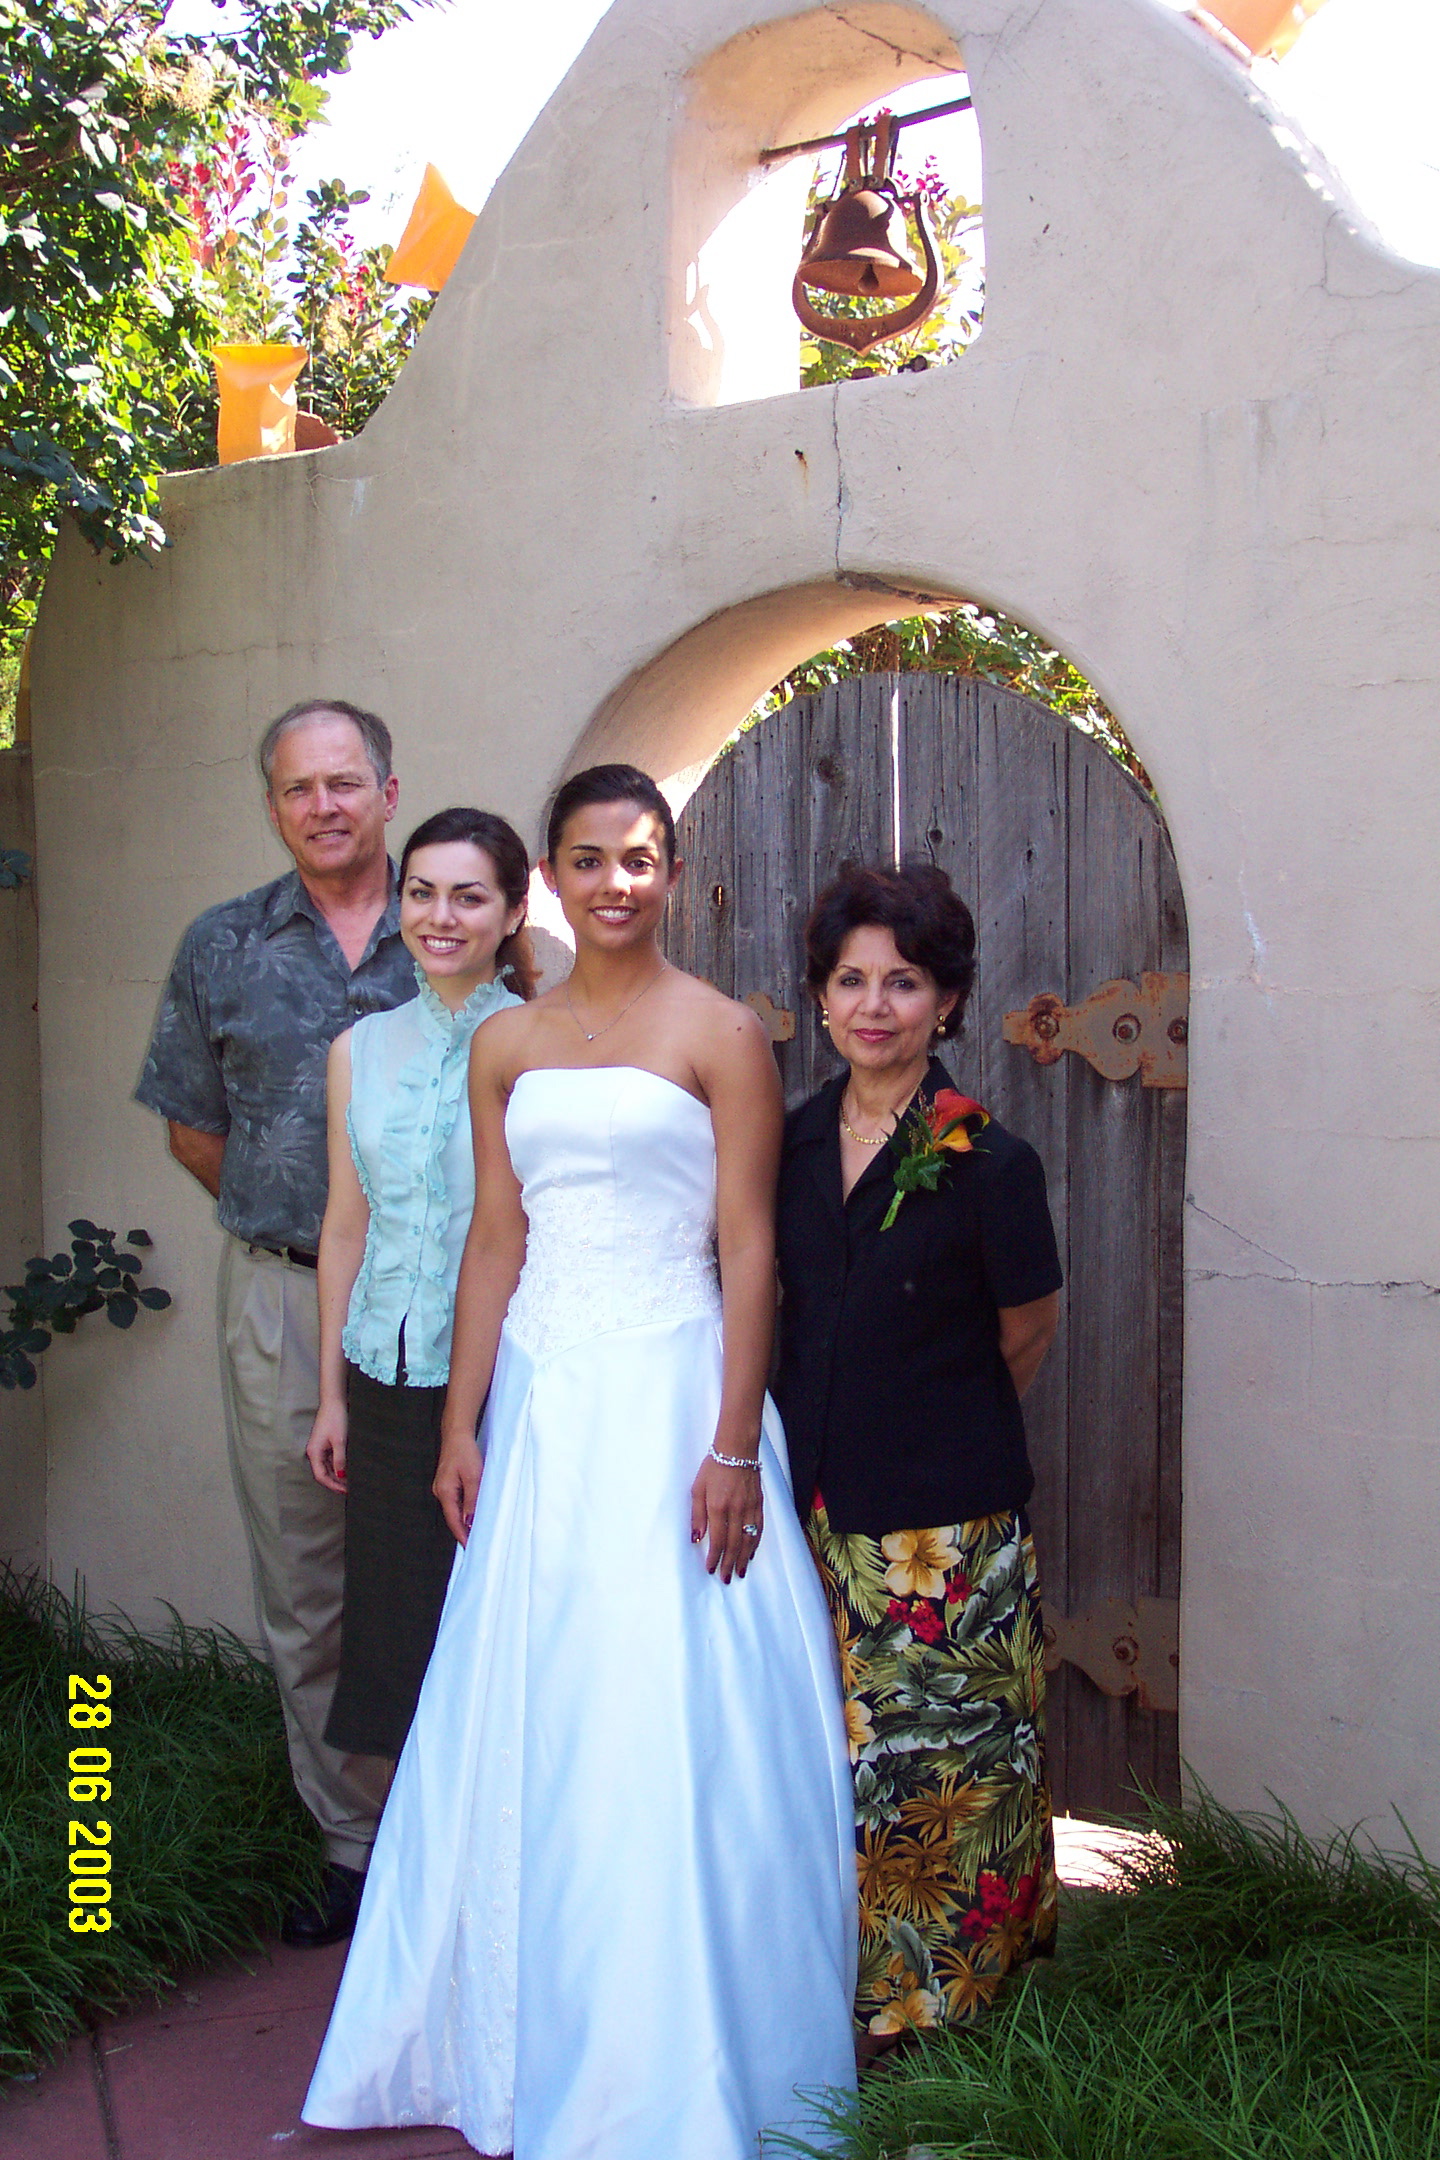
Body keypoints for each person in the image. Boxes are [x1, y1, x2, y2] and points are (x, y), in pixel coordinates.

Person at [304, 764, 857, 2160]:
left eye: (641, 857)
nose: (617, 882)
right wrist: (458, 1421)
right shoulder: (512, 1042)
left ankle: (674, 2054)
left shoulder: (723, 1032)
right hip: (544, 1402)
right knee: (530, 1697)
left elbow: (751, 1250)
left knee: (666, 1704)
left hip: (676, 1397)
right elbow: (500, 1240)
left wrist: (734, 1441)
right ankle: (510, 2017)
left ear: (672, 872)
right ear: (551, 877)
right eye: (590, 859)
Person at [135, 698, 416, 1948]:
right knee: (309, 1580)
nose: (324, 805)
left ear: (389, 791)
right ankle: (356, 1848)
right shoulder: (223, 945)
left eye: (345, 782)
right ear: (273, 806)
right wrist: (299, 1235)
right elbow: (197, 1130)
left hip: (444, 1304)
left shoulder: (474, 927)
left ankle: (457, 1827)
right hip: (283, 1296)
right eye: (299, 788)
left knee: (454, 1564)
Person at [773, 861, 1063, 2051]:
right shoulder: (785, 1147)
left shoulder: (991, 1160)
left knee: (955, 1776)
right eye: (852, 981)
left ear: (946, 1001)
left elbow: (1025, 1332)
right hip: (816, 1517)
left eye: (904, 981)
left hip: (947, 1532)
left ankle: (959, 2018)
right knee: (843, 1775)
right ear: (821, 998)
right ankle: (847, 1999)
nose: (875, 1004)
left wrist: (930, 1440)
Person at [305, 807, 535, 1763]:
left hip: (501, 1379)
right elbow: (346, 1223)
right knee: (399, 1634)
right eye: (422, 892)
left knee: (492, 1633)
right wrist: (329, 1396)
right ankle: (397, 1876)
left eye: (469, 896)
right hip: (383, 1377)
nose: (441, 916)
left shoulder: (542, 1043)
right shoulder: (358, 1051)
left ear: (515, 912)